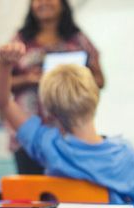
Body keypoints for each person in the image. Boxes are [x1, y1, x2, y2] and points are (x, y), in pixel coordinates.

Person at [0, 42, 134, 204]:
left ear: (51, 112)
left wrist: (5, 63)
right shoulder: (125, 156)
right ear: (95, 98)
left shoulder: (49, 146)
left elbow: (3, 102)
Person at [9, 0, 105, 174]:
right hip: (28, 134)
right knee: (30, 195)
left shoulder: (78, 39)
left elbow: (100, 80)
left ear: (62, 4)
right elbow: (3, 83)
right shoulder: (20, 40)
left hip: (69, 134)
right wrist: (28, 79)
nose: (43, 2)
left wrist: (72, 77)